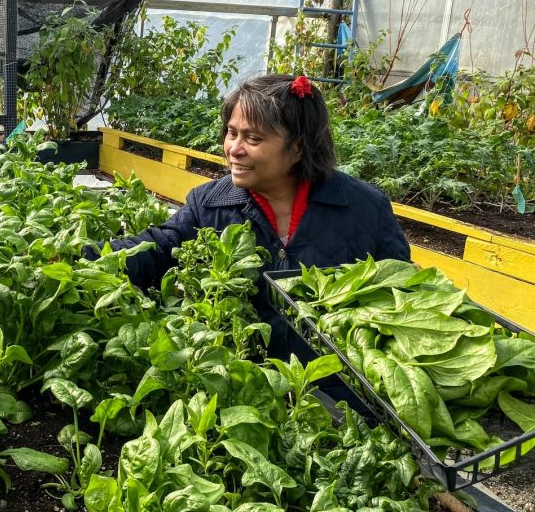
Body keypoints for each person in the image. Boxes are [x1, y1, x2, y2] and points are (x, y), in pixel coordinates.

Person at [98, 73, 410, 353]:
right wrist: (85, 257)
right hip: (246, 383)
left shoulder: (364, 208)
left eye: (253, 138)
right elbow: (159, 246)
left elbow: (402, 292)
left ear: (298, 147)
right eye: (231, 133)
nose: (234, 148)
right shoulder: (210, 204)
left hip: (340, 392)